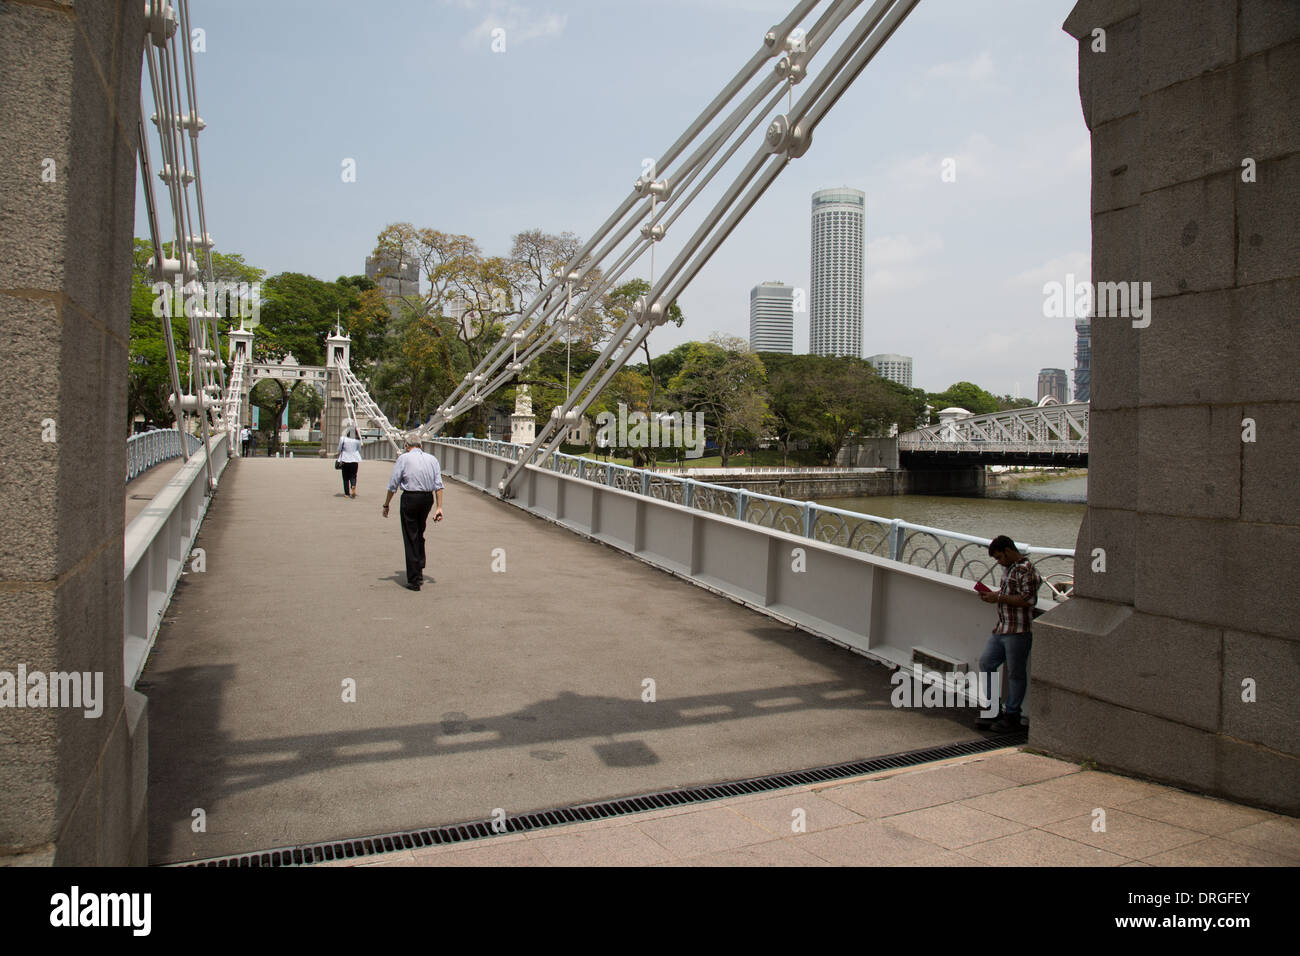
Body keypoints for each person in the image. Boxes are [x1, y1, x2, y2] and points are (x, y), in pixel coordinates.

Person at [975, 534, 1041, 733]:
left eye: (999, 557)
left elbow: (1028, 600)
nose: (998, 562)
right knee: (986, 662)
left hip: (1019, 630)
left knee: (1015, 673)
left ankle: (1012, 714)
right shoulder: (1009, 569)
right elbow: (1009, 595)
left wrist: (999, 597)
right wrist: (995, 596)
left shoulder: (1026, 570)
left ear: (1009, 551)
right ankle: (994, 709)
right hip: (1003, 627)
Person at [382, 432, 444, 591]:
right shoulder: (432, 459)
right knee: (419, 532)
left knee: (411, 536)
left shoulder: (404, 458)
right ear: (421, 446)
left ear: (407, 446)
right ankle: (420, 566)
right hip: (427, 499)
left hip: (410, 498)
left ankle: (414, 579)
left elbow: (393, 484)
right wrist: (439, 507)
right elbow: (438, 485)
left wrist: (386, 504)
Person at [337, 424, 362, 498]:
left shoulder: (343, 439)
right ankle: (353, 485)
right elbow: (359, 450)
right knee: (353, 475)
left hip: (345, 459)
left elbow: (339, 448)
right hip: (354, 459)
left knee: (345, 477)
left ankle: (347, 493)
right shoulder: (357, 440)